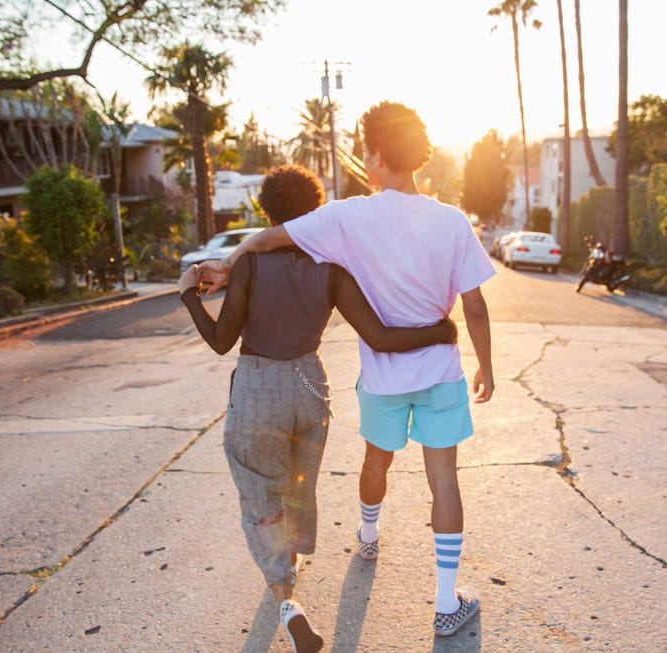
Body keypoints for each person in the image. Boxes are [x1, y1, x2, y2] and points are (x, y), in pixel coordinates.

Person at [199, 101, 495, 638]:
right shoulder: (452, 221)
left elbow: (271, 238)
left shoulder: (350, 215)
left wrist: (227, 261)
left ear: (379, 155)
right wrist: (486, 366)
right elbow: (474, 306)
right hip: (439, 373)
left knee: (375, 461)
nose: (363, 157)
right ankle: (447, 601)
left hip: (383, 378)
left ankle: (367, 532)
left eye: (366, 149)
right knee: (443, 480)